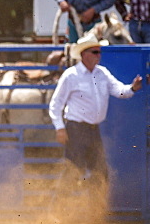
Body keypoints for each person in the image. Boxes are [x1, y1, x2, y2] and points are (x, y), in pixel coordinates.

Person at [48, 33, 143, 190]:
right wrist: (59, 128)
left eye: (99, 52)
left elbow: (119, 90)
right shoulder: (71, 75)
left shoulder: (102, 73)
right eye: (95, 52)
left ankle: (92, 209)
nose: (99, 55)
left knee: (99, 172)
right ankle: (58, 211)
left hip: (93, 130)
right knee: (73, 172)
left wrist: (132, 88)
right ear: (84, 54)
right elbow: (55, 104)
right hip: (76, 129)